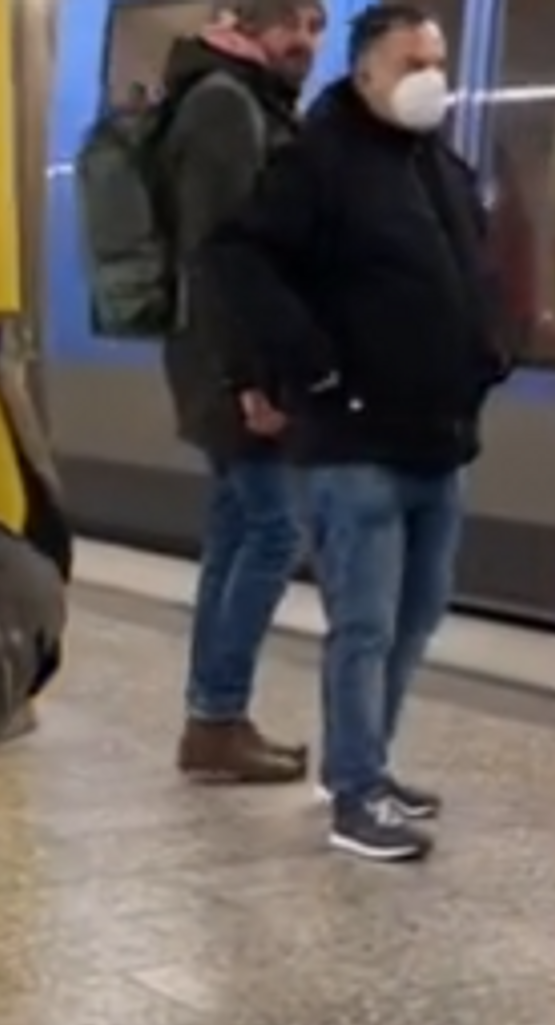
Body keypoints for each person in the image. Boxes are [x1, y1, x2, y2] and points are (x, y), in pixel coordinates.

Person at [203, 2, 512, 862]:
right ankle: (354, 794)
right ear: (368, 70)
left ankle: (365, 764)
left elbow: (472, 270)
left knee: (415, 619)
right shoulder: (317, 163)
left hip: (438, 436)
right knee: (365, 624)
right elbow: (236, 257)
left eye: (438, 62)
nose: (432, 79)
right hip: (355, 442)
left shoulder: (438, 165)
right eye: (414, 62)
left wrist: (491, 352)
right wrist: (312, 368)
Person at [157, 0, 326, 785]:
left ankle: (213, 718)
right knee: (274, 533)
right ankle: (217, 717)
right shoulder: (226, 105)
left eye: (317, 26)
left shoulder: (239, 97)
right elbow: (220, 255)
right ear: (250, 26)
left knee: (236, 535)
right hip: (234, 366)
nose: (306, 42)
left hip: (223, 362)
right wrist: (253, 380)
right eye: (292, 23)